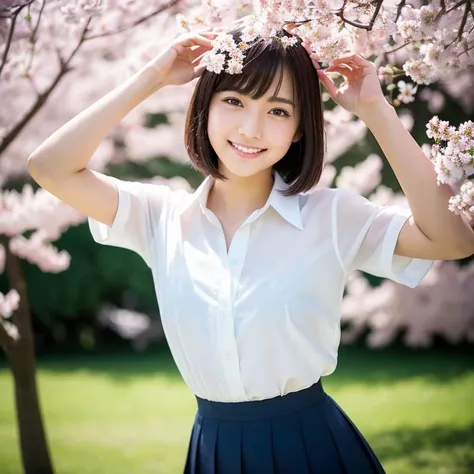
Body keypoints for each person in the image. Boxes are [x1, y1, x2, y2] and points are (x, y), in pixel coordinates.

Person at [27, 24, 474, 474]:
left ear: (300, 129)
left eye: (278, 111)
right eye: (234, 101)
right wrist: (154, 76)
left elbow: (452, 239)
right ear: (205, 106)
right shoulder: (161, 217)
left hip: (313, 448)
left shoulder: (331, 216)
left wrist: (376, 110)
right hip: (213, 450)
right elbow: (50, 167)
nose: (251, 128)